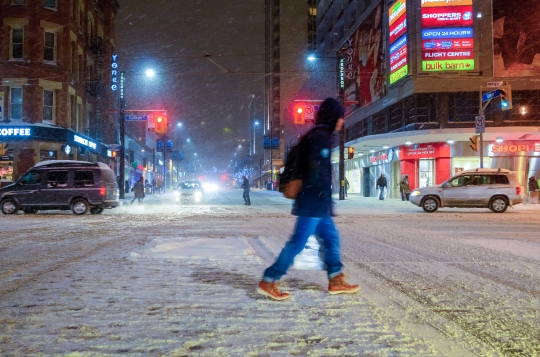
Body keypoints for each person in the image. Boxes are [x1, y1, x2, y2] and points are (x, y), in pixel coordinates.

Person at [257, 97, 360, 301]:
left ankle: (335, 278)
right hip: (313, 202)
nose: (342, 121)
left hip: (317, 203)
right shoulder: (321, 137)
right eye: (340, 117)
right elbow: (316, 168)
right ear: (332, 117)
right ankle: (270, 279)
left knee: (331, 238)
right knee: (297, 243)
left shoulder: (318, 135)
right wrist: (321, 192)